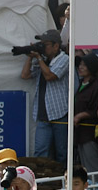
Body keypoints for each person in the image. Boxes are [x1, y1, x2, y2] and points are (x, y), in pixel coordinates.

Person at [21, 29, 69, 165]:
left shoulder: (64, 59)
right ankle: (41, 182)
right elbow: (25, 75)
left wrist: (39, 58)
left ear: (56, 46)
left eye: (45, 44)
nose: (43, 47)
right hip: (42, 115)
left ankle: (63, 182)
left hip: (60, 113)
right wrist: (31, 56)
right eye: (41, 44)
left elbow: (50, 76)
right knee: (40, 152)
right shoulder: (43, 60)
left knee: (62, 152)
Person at [73, 53, 98, 173]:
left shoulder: (96, 85)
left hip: (89, 133)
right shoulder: (81, 83)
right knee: (83, 166)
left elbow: (95, 110)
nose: (80, 67)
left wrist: (80, 116)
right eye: (80, 64)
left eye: (84, 65)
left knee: (92, 164)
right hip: (79, 133)